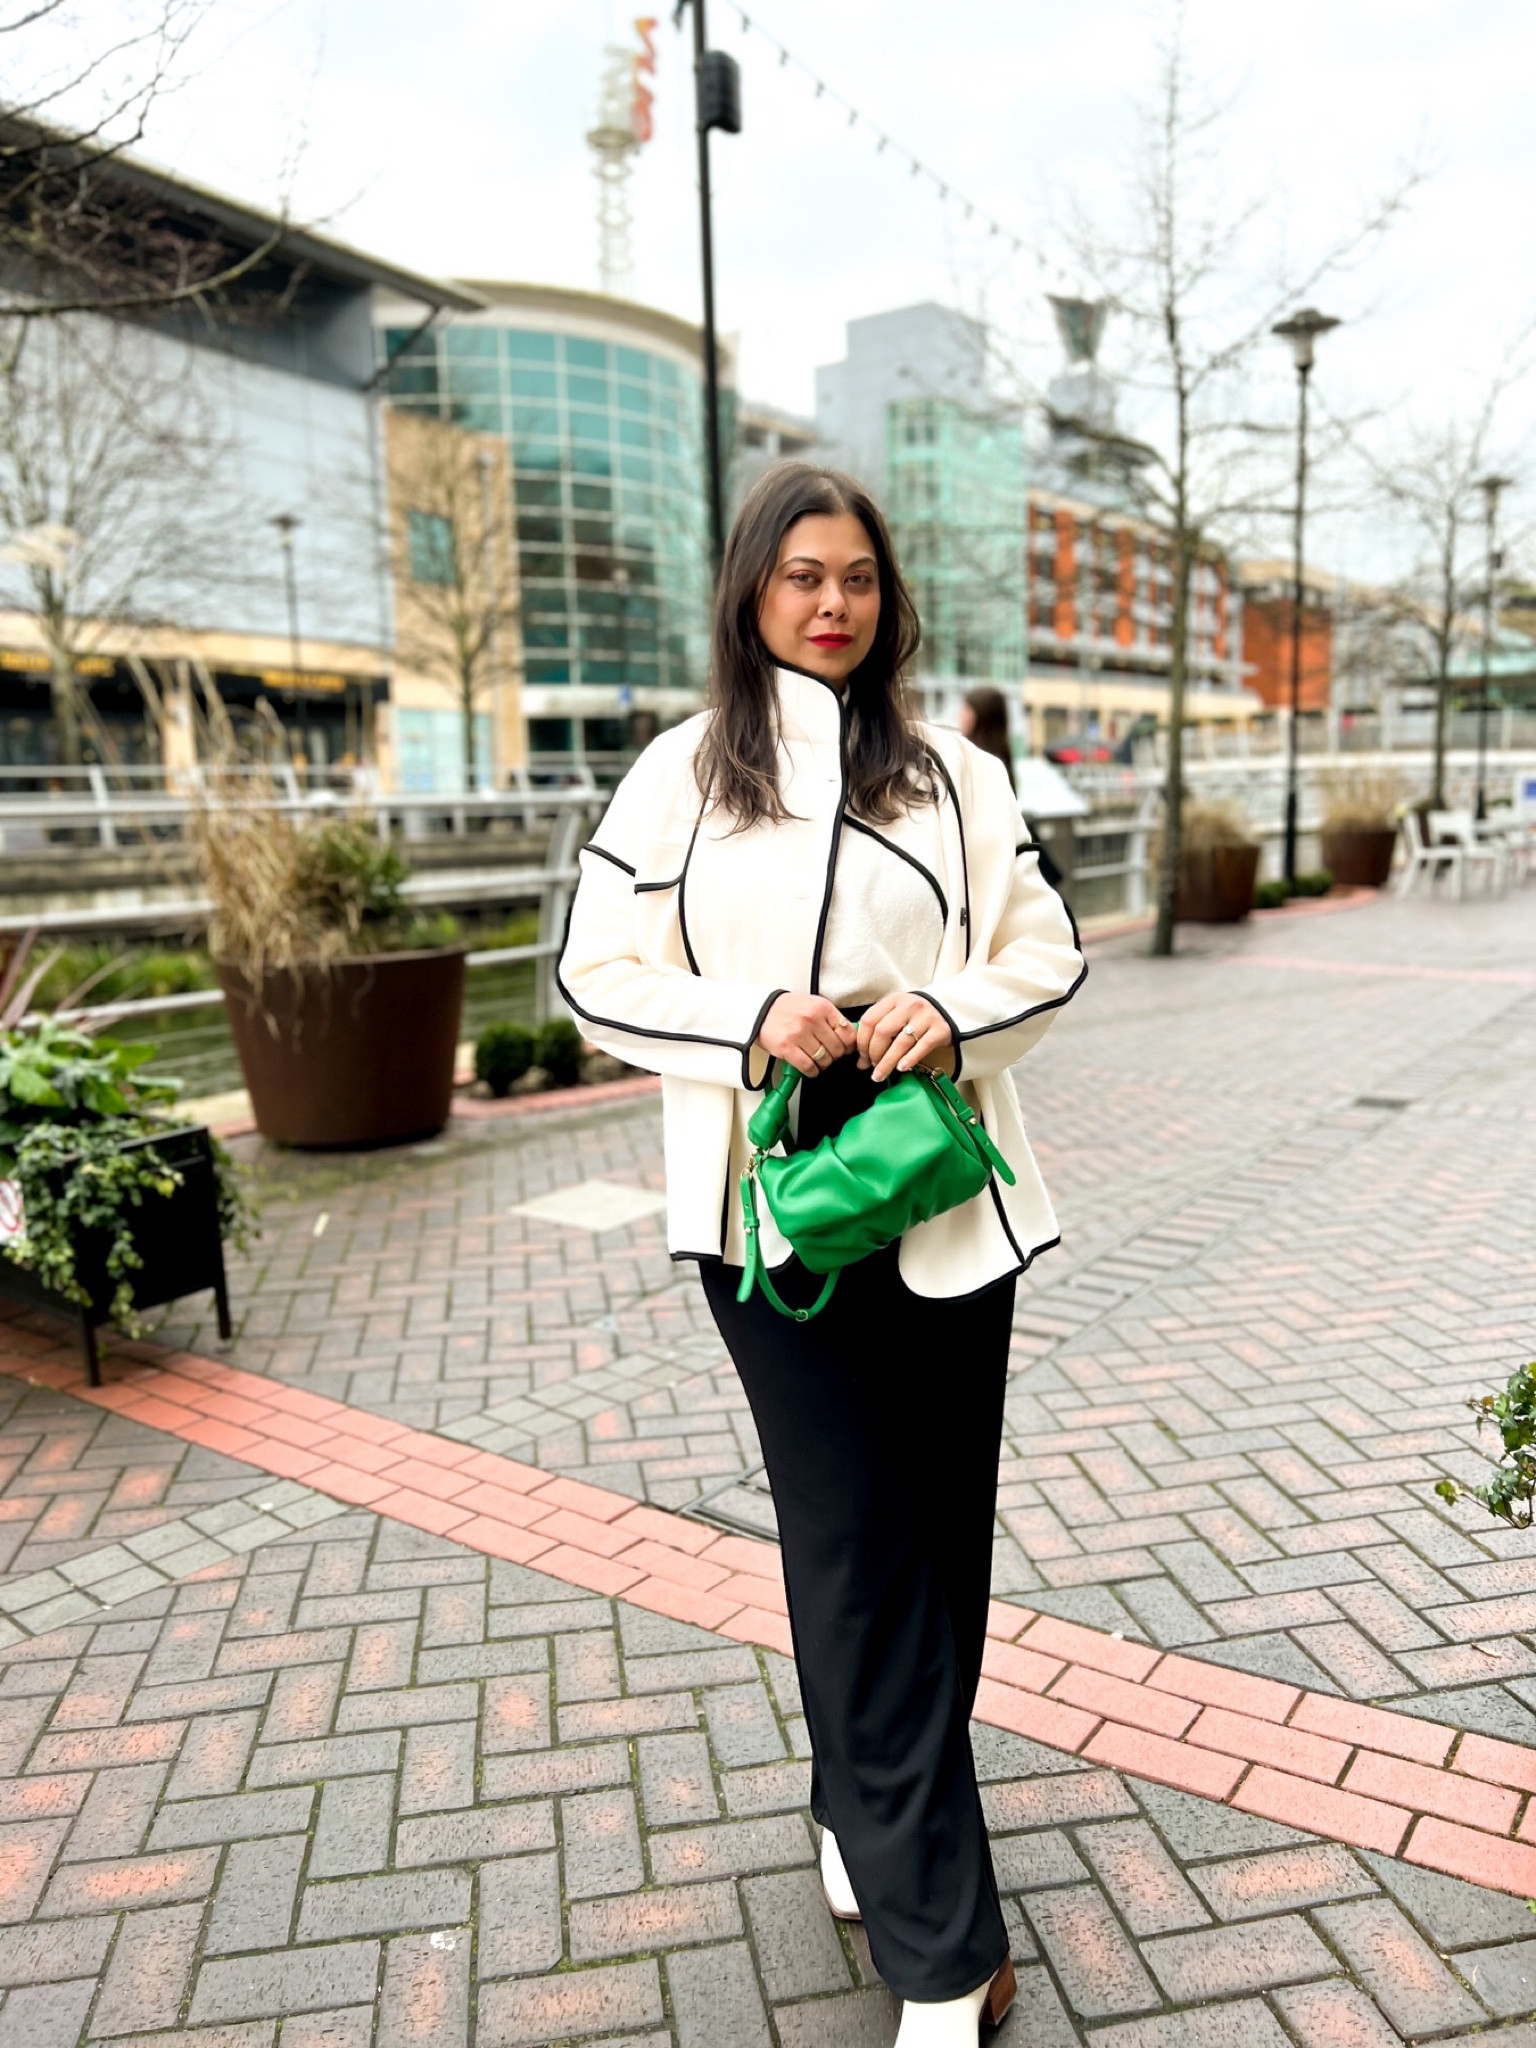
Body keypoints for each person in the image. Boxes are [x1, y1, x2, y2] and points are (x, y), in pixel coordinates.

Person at [559, 464, 1085, 2047]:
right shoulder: (680, 775)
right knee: (854, 1544)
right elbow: (594, 973)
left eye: (857, 576)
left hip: (938, 1187)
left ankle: (859, 1799)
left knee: (938, 1543)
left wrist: (954, 1008)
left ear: (887, 595)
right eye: (802, 576)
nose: (833, 602)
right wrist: (746, 1018)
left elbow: (1046, 952)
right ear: (751, 592)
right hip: (771, 1210)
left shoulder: (958, 775)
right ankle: (946, 1954)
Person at [960, 685, 1063, 891]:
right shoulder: (1001, 755)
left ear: (978, 716)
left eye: (966, 710)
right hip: (999, 855)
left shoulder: (976, 759)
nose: (961, 716)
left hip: (981, 860)